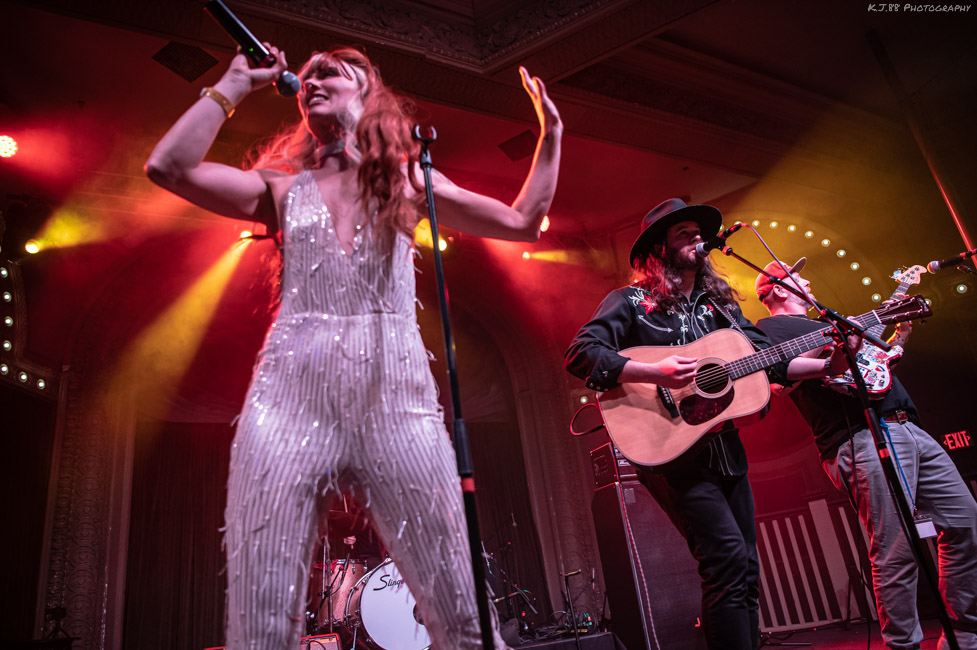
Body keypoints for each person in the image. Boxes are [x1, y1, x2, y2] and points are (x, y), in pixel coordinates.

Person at [146, 44, 561, 649]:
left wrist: (551, 135)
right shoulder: (282, 189)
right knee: (259, 624)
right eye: (307, 74)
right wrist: (232, 84)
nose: (312, 79)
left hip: (395, 398)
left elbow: (522, 221)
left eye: (331, 71)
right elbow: (169, 168)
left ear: (368, 94)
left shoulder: (410, 181)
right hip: (288, 399)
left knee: (463, 616)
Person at [564, 199, 848, 650]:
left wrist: (827, 366)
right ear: (659, 248)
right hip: (671, 452)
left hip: (725, 451)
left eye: (700, 233)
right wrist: (654, 372)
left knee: (746, 568)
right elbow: (582, 354)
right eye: (685, 233)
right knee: (726, 562)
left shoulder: (720, 306)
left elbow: (769, 361)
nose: (698, 239)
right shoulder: (630, 302)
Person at [755, 259, 977, 650]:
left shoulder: (830, 320)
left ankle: (963, 636)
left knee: (966, 524)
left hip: (908, 426)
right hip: (860, 436)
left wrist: (893, 334)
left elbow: (872, 361)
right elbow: (780, 378)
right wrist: (833, 347)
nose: (808, 280)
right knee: (897, 547)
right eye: (796, 276)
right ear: (777, 289)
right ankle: (903, 645)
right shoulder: (770, 331)